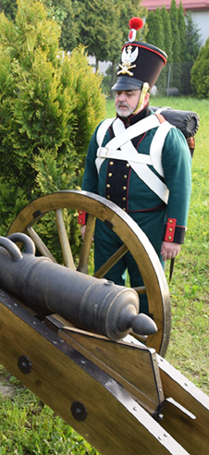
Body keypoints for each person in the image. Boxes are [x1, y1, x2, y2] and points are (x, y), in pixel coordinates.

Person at [79, 17, 192, 314]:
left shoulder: (167, 136)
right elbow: (89, 178)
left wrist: (172, 237)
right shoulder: (103, 131)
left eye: (129, 93)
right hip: (105, 225)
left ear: (145, 93)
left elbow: (180, 188)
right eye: (119, 92)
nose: (121, 99)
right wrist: (84, 220)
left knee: (145, 290)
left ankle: (143, 342)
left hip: (148, 227)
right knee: (104, 285)